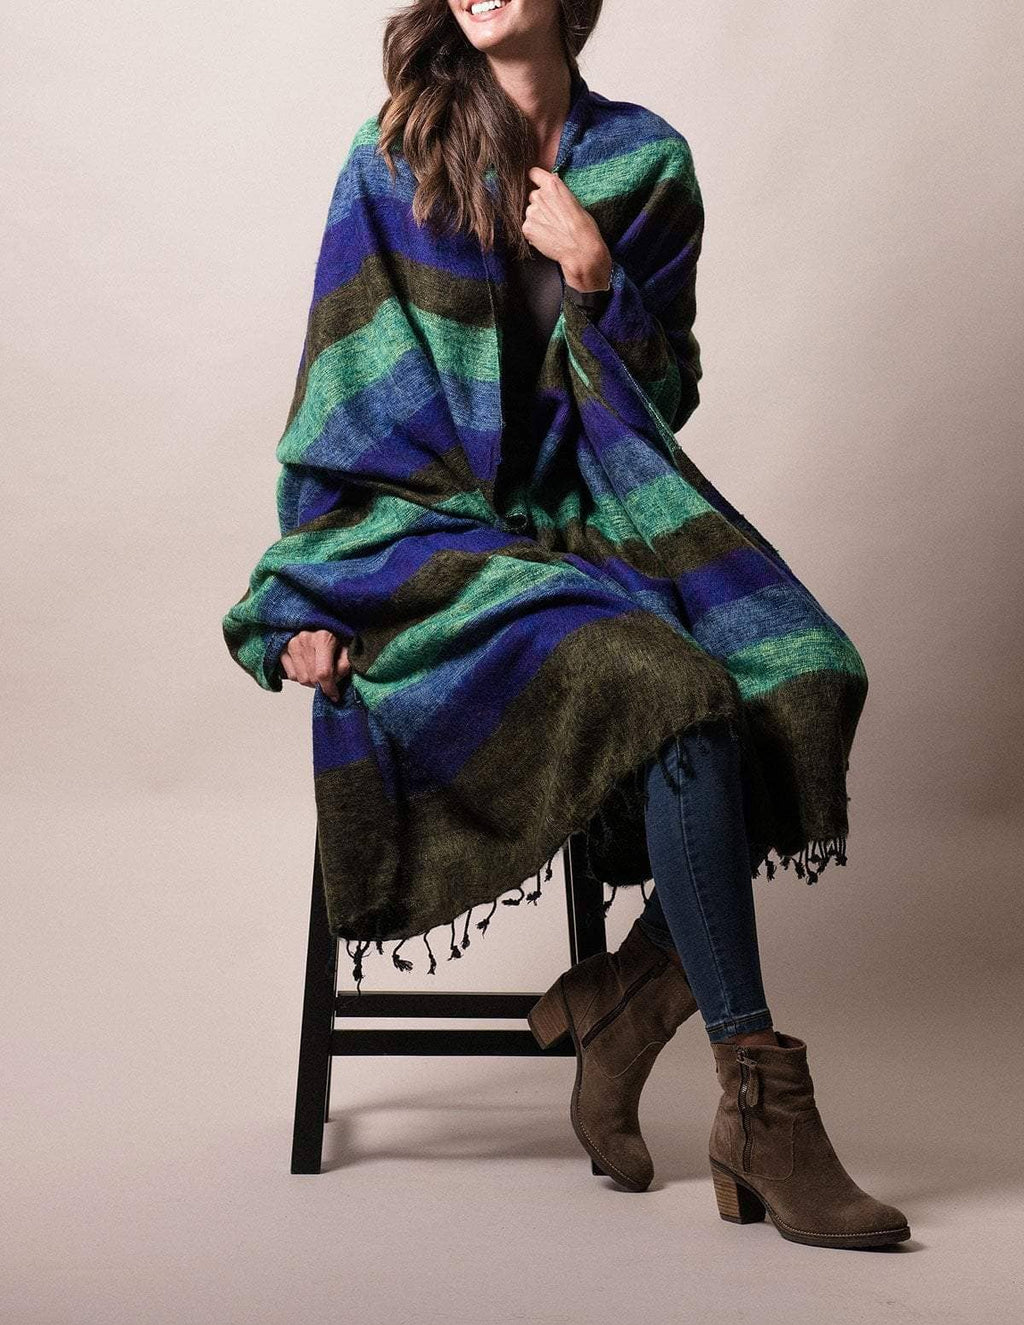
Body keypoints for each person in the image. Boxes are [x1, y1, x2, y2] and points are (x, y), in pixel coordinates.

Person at [263, 0, 910, 1248]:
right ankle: (761, 1106)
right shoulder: (391, 156)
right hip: (433, 542)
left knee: (804, 670)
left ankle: (620, 995)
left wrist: (596, 274)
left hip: (598, 512)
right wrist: (311, 594)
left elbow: (664, 396)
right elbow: (337, 398)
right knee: (670, 689)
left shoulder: (645, 159)